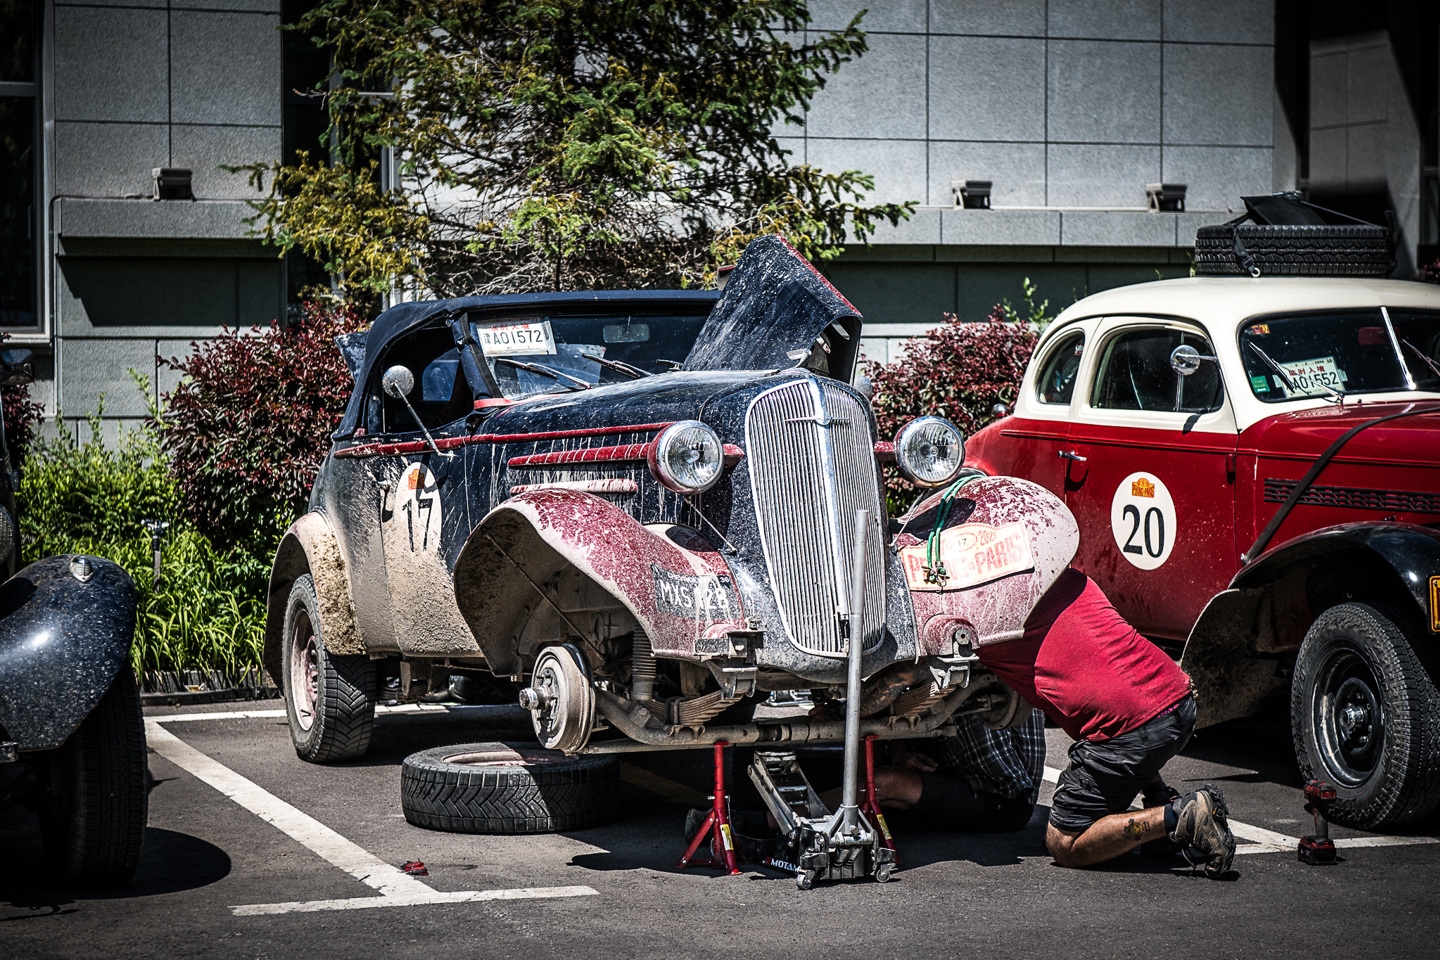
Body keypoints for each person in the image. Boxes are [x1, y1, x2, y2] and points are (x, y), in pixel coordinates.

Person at [975, 567, 1235, 877]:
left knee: (1064, 843)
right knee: (1115, 715)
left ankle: (1181, 817)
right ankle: (1160, 799)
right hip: (1177, 699)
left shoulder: (985, 621)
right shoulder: (1065, 576)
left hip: (1134, 730)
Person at [835, 708, 1046, 834]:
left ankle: (813, 816)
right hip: (953, 769)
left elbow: (1006, 778)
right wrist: (899, 750)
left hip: (1003, 796)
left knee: (884, 783)